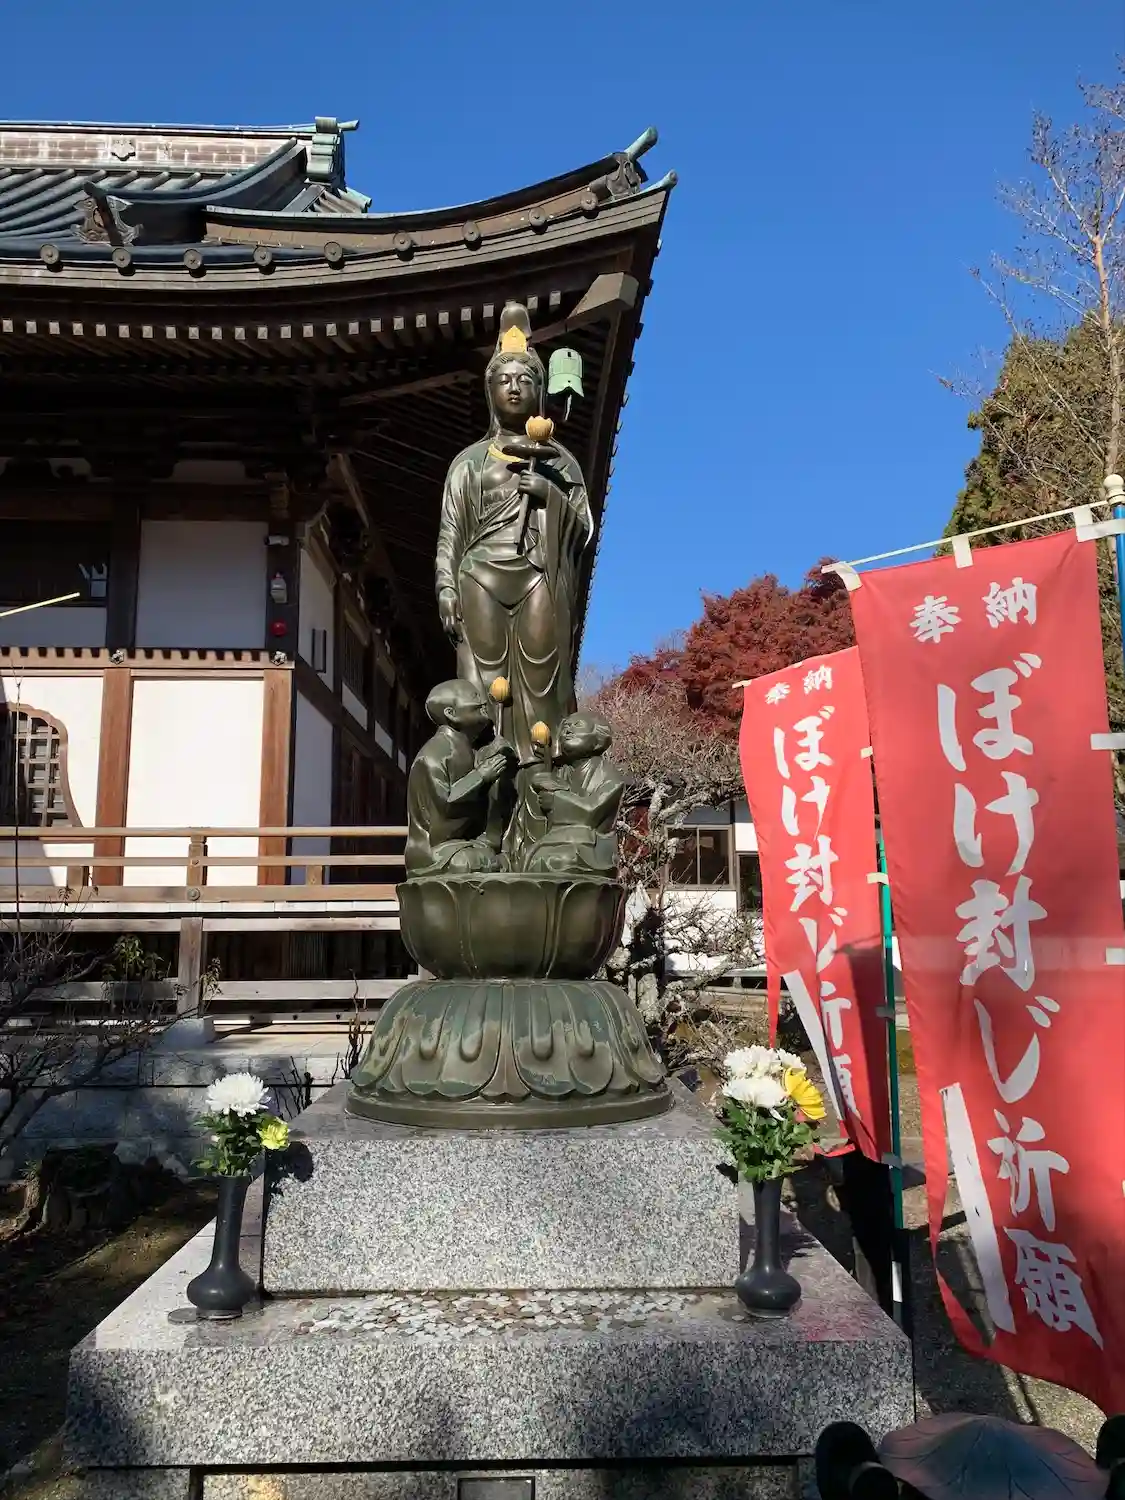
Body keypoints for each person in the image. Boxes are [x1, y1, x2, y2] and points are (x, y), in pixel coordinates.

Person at [434, 303, 592, 776]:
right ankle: (487, 775)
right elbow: (451, 531)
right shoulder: (470, 461)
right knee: (483, 682)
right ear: (490, 392)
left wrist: (549, 496)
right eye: (504, 380)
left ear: (539, 392)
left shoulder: (559, 461)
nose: (514, 387)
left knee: (543, 674)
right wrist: (445, 587)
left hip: (538, 572)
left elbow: (582, 529)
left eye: (525, 379)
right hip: (480, 574)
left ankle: (542, 775)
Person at [404, 679, 517, 877]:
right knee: (467, 863)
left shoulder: (472, 751)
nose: (482, 701)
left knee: (490, 859)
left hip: (466, 843)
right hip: (435, 849)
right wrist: (480, 776)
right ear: (451, 713)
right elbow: (443, 808)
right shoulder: (433, 755)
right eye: (474, 696)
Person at [522, 713, 624, 876]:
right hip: (554, 842)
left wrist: (557, 796)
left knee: (562, 859)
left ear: (598, 740)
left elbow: (591, 812)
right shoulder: (560, 773)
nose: (568, 730)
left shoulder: (609, 776)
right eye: (565, 727)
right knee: (538, 859)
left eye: (577, 725)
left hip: (591, 848)